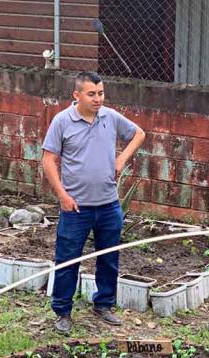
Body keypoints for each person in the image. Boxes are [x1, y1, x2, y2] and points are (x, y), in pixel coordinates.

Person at [42, 71, 145, 332]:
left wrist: (121, 160)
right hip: (76, 207)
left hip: (109, 204)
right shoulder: (62, 122)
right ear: (76, 95)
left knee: (108, 258)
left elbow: (139, 134)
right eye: (92, 94)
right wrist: (63, 195)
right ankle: (63, 311)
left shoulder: (110, 117)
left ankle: (104, 304)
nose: (98, 99)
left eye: (100, 93)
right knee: (67, 259)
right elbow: (48, 161)